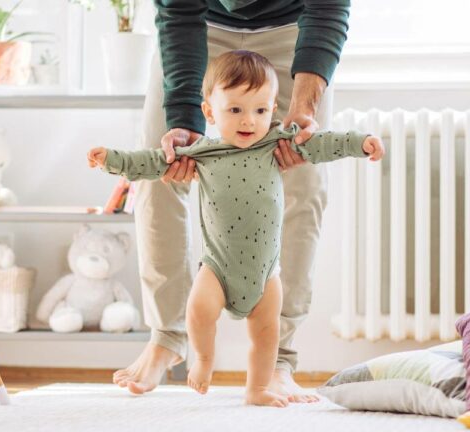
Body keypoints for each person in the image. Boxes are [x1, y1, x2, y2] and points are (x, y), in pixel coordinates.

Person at [88, 50, 383, 406]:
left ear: (274, 108)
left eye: (260, 110)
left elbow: (322, 144)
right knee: (198, 312)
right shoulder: (202, 153)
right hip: (217, 268)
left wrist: (360, 144)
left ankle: (258, 387)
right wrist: (112, 161)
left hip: (265, 275)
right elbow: (150, 163)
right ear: (209, 112)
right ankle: (204, 360)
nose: (249, 121)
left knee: (266, 333)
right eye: (235, 110)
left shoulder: (278, 144)